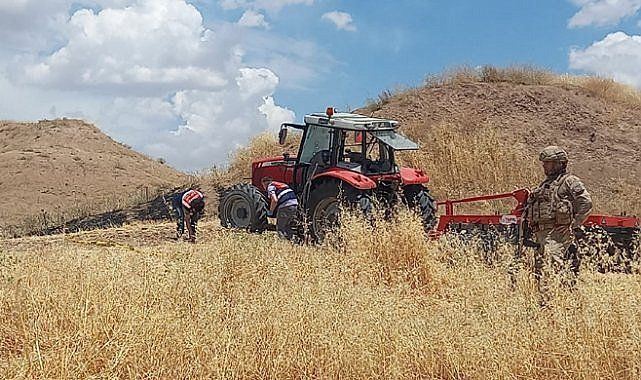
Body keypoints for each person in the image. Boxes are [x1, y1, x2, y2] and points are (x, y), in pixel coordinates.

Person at [525, 146, 592, 300]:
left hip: (557, 236)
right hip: (542, 236)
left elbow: (586, 202)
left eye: (547, 162)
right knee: (540, 272)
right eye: (544, 162)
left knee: (550, 272)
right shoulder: (545, 184)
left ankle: (555, 307)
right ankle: (549, 308)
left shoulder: (569, 181)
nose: (544, 165)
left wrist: (573, 224)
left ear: (560, 163)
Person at [261, 177, 298, 241]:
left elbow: (274, 200)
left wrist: (271, 211)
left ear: (264, 183)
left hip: (285, 206)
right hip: (294, 205)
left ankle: (283, 244)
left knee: (280, 228)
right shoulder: (281, 185)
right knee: (287, 226)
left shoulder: (270, 187)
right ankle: (293, 242)